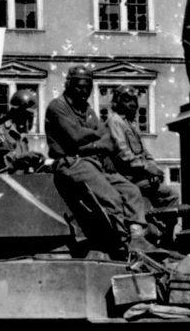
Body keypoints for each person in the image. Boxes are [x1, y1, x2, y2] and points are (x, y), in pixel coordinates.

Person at [45, 66, 154, 255]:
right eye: (80, 87)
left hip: (92, 161)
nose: (84, 91)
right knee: (110, 196)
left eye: (88, 87)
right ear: (69, 85)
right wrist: (97, 140)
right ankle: (121, 242)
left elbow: (108, 140)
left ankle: (137, 239)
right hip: (71, 163)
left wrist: (95, 144)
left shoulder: (87, 109)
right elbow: (74, 137)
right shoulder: (58, 106)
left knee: (131, 190)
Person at [105, 85, 180, 242]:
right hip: (125, 178)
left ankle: (166, 238)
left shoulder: (131, 124)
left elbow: (145, 153)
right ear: (117, 103)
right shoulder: (115, 121)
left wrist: (153, 168)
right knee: (166, 195)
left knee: (171, 196)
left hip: (139, 176)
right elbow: (123, 155)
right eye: (127, 100)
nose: (132, 104)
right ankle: (147, 234)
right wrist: (147, 169)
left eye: (134, 100)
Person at [0, 89, 47, 173]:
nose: (29, 119)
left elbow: (23, 165)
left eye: (31, 115)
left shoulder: (22, 134)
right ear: (17, 111)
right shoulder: (0, 130)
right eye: (27, 114)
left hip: (20, 182)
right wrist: (22, 157)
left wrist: (35, 162)